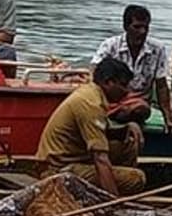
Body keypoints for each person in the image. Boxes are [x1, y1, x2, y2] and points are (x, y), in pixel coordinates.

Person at [35, 57, 145, 196]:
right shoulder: (91, 104)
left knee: (128, 143)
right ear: (108, 82)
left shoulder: (92, 92)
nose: (127, 91)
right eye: (123, 85)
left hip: (73, 156)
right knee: (136, 178)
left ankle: (115, 179)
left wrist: (128, 128)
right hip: (59, 169)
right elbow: (100, 158)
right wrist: (113, 200)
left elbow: (102, 132)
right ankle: (111, 193)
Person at [90, 4, 172, 134]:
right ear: (126, 27)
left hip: (139, 105)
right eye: (137, 27)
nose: (142, 32)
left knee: (141, 108)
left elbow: (161, 86)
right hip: (111, 100)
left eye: (145, 27)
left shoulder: (157, 49)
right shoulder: (110, 45)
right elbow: (94, 74)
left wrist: (168, 119)